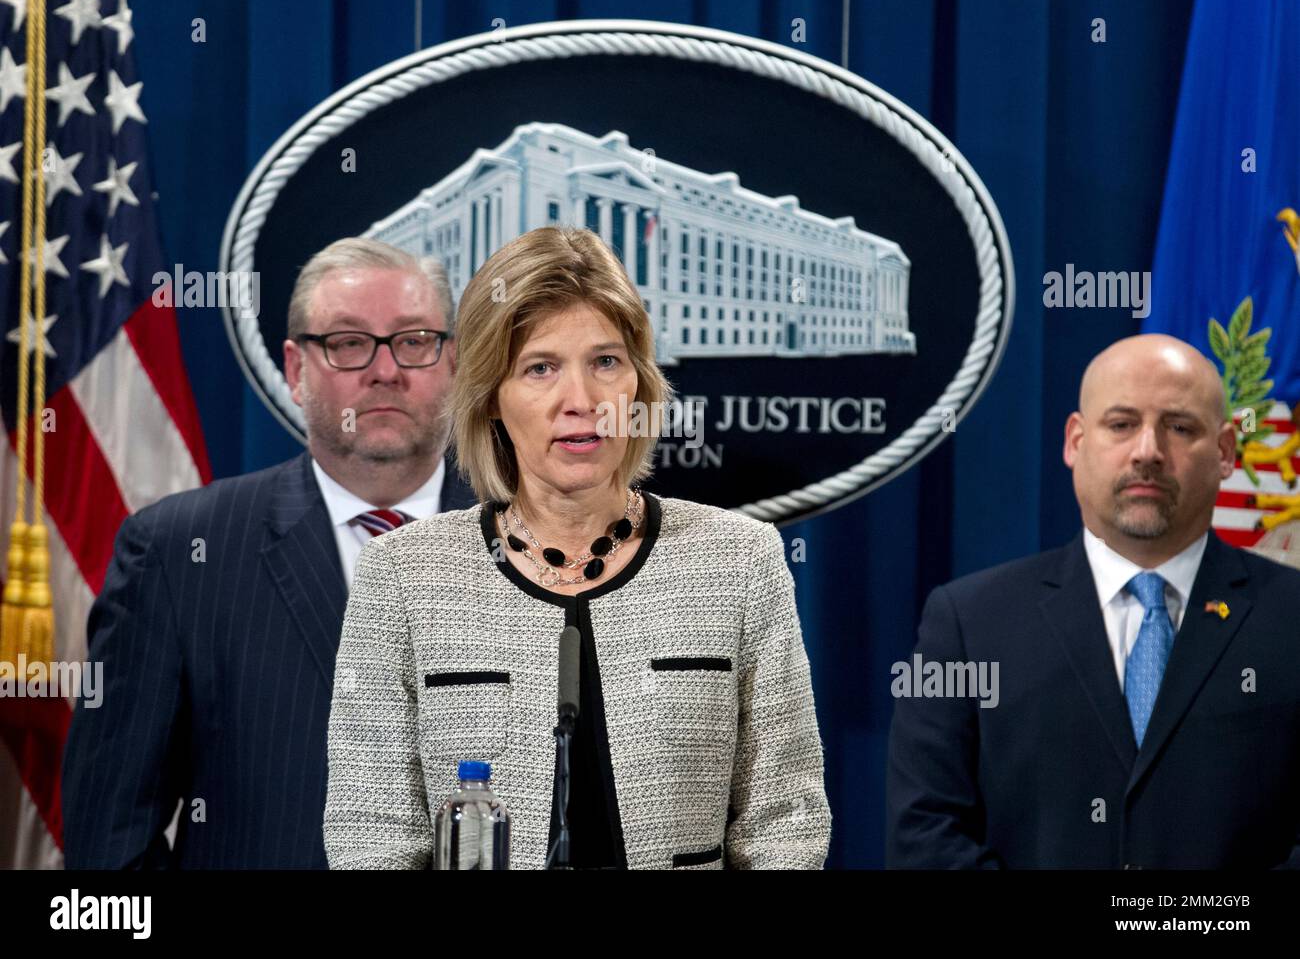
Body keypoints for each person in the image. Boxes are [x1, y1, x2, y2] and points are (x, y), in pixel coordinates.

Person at [324, 227, 830, 869]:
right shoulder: (404, 573)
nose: (582, 402)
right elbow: (371, 838)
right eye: (540, 368)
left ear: (639, 388)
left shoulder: (739, 560)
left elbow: (785, 825)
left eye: (606, 362)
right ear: (493, 400)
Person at [61, 238, 476, 868]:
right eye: (347, 342)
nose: (386, 370)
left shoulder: (532, 539)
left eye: (415, 340)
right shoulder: (177, 555)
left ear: (454, 362)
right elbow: (108, 844)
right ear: (295, 368)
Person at [886, 333, 1300, 869]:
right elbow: (924, 837)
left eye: (1178, 426)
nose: (1148, 451)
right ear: (1075, 441)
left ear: (1225, 452)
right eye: (1122, 424)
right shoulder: (968, 625)